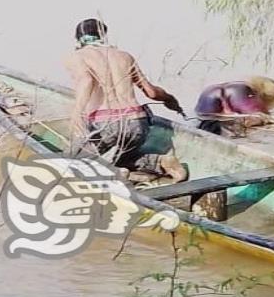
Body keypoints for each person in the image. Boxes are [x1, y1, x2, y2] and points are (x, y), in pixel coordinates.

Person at [64, 18, 188, 182]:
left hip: (105, 124)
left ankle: (115, 173)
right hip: (137, 123)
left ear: (78, 39)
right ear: (104, 36)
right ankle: (160, 161)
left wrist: (76, 113)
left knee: (70, 162)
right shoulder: (124, 56)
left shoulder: (77, 57)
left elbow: (86, 80)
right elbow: (151, 92)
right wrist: (170, 99)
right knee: (121, 156)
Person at [195, 76, 274, 135]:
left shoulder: (218, 87)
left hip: (208, 98)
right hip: (237, 99)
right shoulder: (250, 92)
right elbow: (258, 117)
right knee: (260, 118)